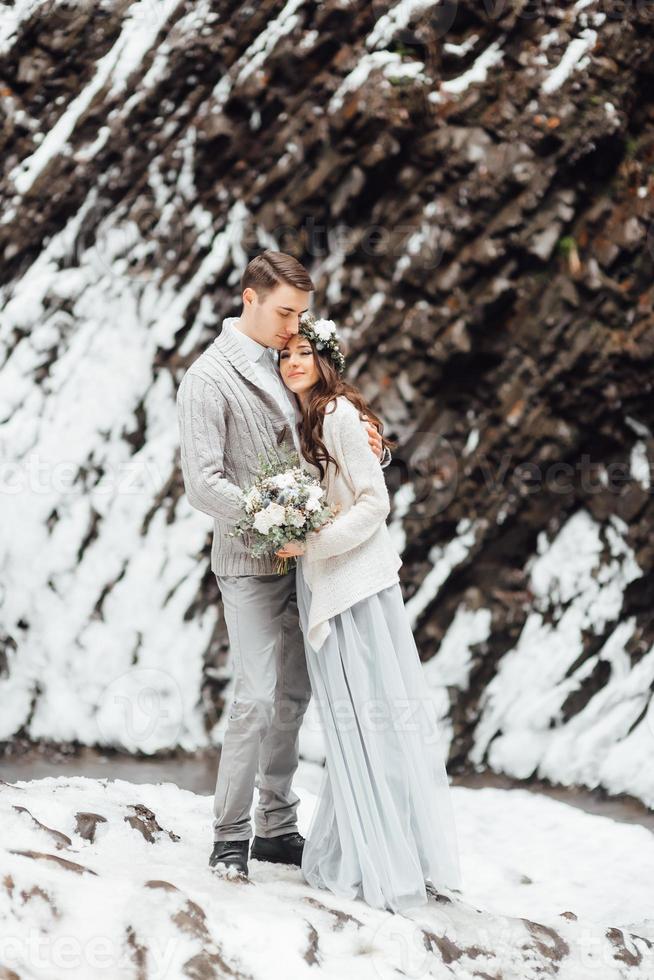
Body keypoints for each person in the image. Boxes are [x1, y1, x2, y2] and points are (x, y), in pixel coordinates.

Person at [175, 250, 390, 878]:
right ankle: (229, 836)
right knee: (255, 696)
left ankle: (276, 827)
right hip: (247, 562)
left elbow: (326, 429)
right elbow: (202, 482)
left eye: (301, 314)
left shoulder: (283, 359)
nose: (295, 326)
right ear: (250, 298)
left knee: (294, 696)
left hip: (309, 563)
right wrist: (274, 515)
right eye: (285, 312)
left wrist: (373, 441)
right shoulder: (206, 379)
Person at [274, 321, 463, 913]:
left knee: (365, 721)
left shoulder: (338, 417)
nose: (293, 364)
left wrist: (311, 541)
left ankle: (381, 859)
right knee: (350, 724)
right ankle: (367, 847)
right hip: (329, 583)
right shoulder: (310, 417)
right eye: (285, 356)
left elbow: (374, 504)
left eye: (305, 354)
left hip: (353, 586)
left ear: (326, 359)